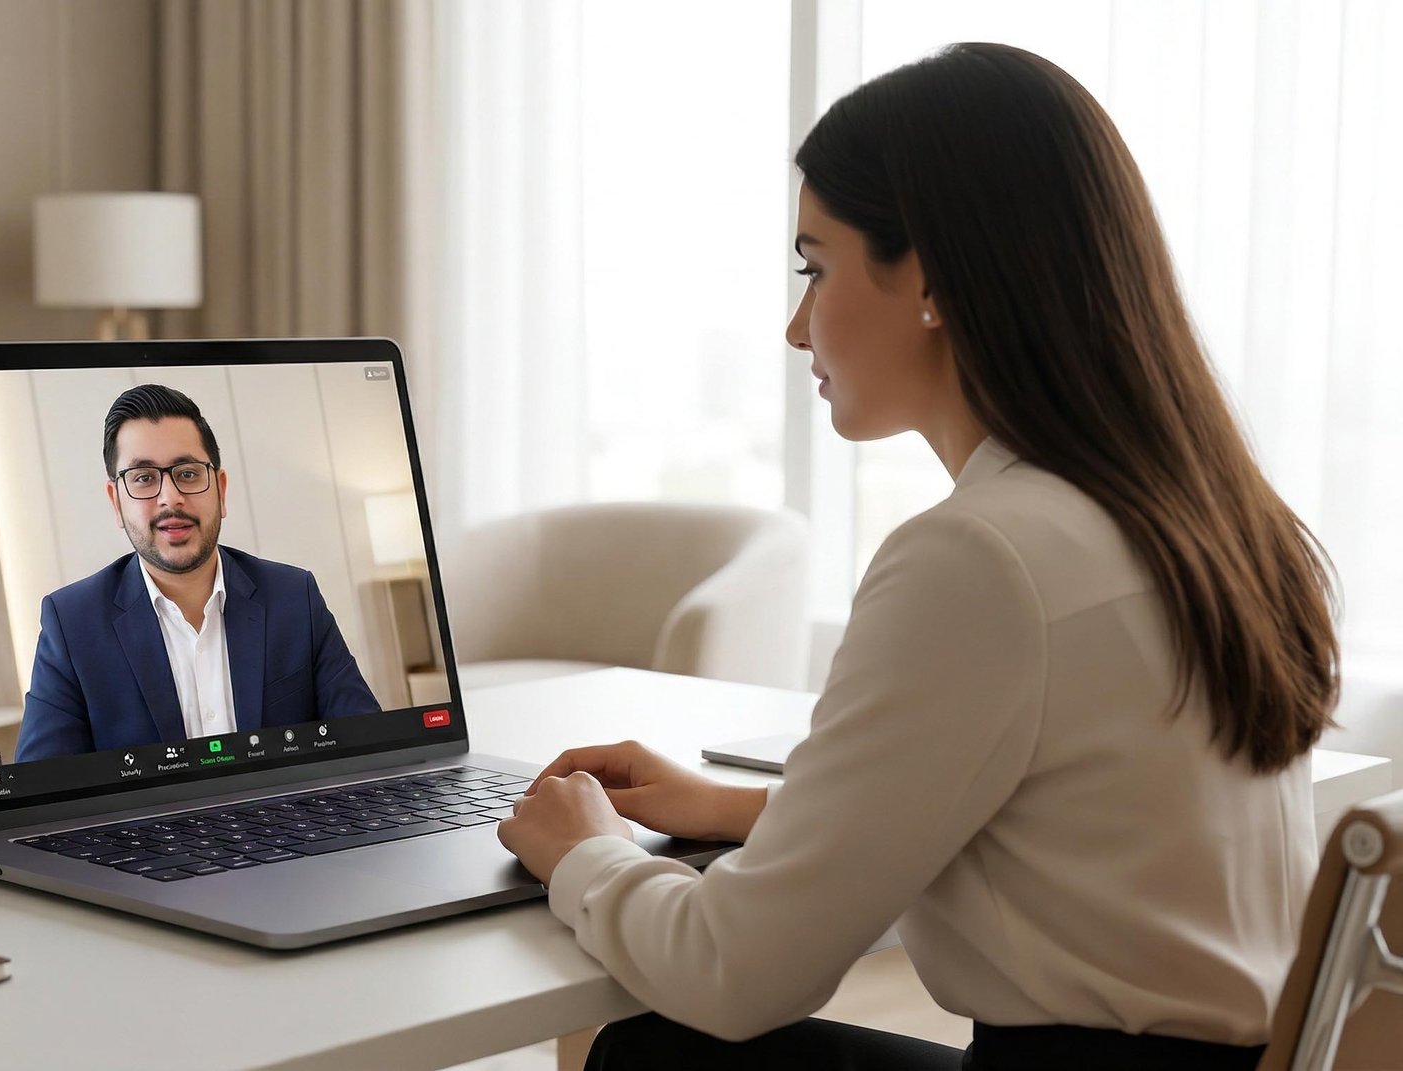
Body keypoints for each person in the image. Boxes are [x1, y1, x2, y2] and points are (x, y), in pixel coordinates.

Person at [496, 42, 1337, 1070]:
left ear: (930, 276)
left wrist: (582, 852)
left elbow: (734, 972)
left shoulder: (982, 558)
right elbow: (1067, 816)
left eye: (816, 267)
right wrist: (752, 811)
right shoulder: (1210, 516)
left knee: (640, 1040)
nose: (797, 325)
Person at [14, 384, 381, 760]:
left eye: (187, 473)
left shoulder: (294, 597)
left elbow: (369, 744)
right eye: (144, 478)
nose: (170, 497)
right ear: (116, 502)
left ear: (220, 491)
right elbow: (44, 793)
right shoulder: (72, 625)